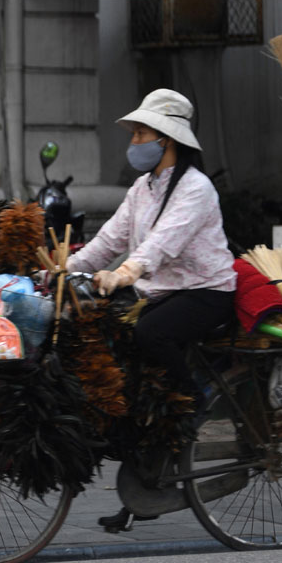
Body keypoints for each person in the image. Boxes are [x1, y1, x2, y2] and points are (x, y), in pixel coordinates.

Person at [67, 88, 236, 403]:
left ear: (167, 139)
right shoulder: (141, 188)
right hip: (160, 289)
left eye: (141, 133)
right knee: (104, 327)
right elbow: (108, 239)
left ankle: (189, 405)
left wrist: (124, 272)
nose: (133, 142)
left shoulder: (196, 188)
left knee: (150, 333)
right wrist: (65, 269)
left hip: (207, 291)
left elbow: (162, 242)